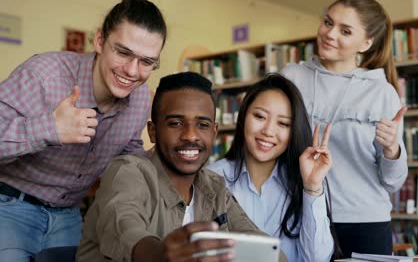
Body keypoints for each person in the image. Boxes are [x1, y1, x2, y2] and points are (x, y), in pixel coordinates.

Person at [0, 0, 166, 259]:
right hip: (9, 206)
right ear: (99, 41)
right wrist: (50, 129)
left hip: (70, 215)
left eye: (146, 61)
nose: (132, 71)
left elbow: (127, 151)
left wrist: (164, 155)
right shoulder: (45, 75)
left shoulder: (141, 98)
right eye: (123, 52)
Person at [76, 72, 287, 262]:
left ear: (214, 133)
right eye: (176, 123)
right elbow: (125, 229)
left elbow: (267, 249)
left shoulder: (214, 186)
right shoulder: (128, 172)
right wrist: (161, 255)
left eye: (202, 125)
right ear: (152, 131)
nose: (190, 135)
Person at [281, 0, 408, 257]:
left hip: (365, 223)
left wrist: (392, 150)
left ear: (366, 43)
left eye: (345, 31)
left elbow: (392, 181)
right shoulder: (291, 77)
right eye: (328, 22)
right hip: (299, 213)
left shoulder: (382, 92)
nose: (329, 33)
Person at [207, 74, 335, 261]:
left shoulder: (302, 181)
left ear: (293, 131)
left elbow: (317, 258)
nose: (268, 131)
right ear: (243, 116)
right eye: (260, 116)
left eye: (283, 123)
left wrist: (312, 187)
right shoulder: (212, 178)